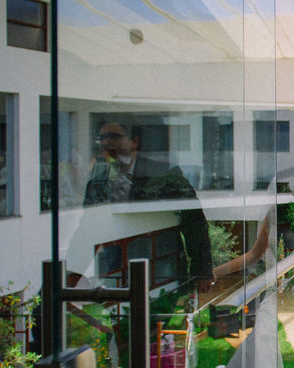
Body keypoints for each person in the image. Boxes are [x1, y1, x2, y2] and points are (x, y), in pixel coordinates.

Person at [83, 118, 215, 291]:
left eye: (113, 136)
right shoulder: (96, 184)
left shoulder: (165, 174)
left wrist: (202, 271)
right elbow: (87, 230)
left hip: (162, 269)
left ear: (134, 141)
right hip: (114, 273)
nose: (106, 142)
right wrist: (73, 274)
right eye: (102, 138)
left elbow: (194, 222)